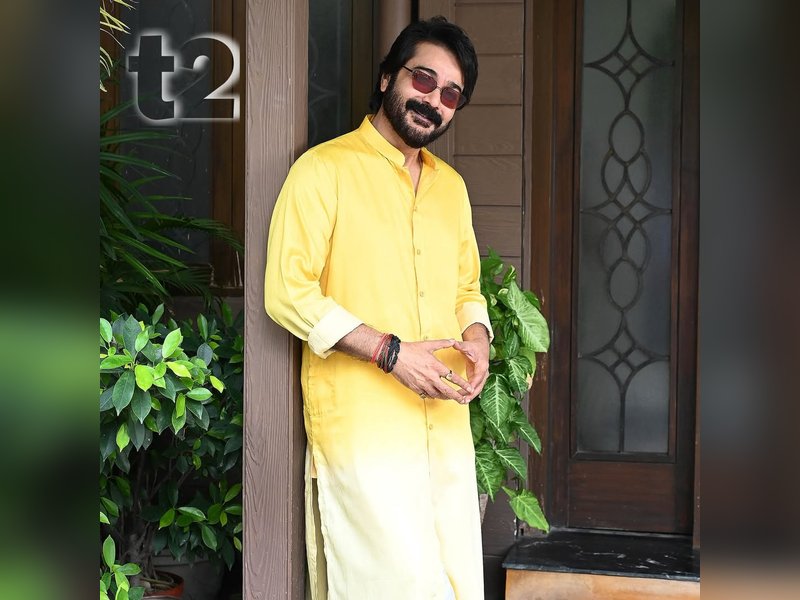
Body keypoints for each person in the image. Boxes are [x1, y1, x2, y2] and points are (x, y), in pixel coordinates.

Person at [265, 16, 491, 600]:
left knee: (456, 585)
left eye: (451, 95)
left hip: (444, 429)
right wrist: (391, 353)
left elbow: (468, 285)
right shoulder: (323, 171)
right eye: (424, 79)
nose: (434, 101)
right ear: (389, 75)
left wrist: (479, 340)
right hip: (364, 437)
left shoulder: (452, 189)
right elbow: (288, 292)